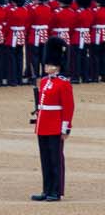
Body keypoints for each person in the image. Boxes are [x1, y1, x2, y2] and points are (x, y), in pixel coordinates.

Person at [30, 39, 72, 201]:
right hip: (43, 124)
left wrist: (65, 128)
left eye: (50, 64)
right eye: (46, 64)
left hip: (55, 125)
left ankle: (56, 190)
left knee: (55, 159)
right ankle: (46, 189)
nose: (47, 67)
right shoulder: (45, 82)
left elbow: (68, 108)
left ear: (58, 65)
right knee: (45, 159)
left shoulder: (64, 84)